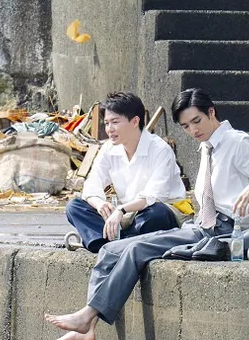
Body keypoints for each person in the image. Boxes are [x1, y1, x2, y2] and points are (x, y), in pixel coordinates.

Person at [45, 87, 249, 340]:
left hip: (227, 231)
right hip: (201, 226)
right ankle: (87, 326)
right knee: (110, 249)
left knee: (137, 248)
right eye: (185, 126)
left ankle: (86, 318)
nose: (193, 131)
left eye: (197, 121)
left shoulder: (237, 143)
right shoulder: (208, 147)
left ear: (211, 112)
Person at [64, 91, 186, 254]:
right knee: (74, 207)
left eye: (115, 122)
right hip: (125, 218)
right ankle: (122, 243)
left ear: (135, 121)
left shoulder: (160, 149)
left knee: (157, 214)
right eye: (106, 123)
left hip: (151, 212)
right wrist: (101, 205)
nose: (109, 129)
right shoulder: (108, 148)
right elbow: (92, 186)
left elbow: (154, 196)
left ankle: (108, 244)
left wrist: (121, 211)